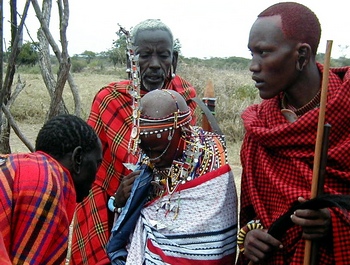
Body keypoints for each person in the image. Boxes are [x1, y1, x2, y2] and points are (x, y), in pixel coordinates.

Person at [70, 19, 197, 265]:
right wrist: (115, 201)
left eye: (163, 55)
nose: (154, 65)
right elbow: (89, 175)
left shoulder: (185, 101)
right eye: (144, 55)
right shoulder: (110, 100)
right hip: (113, 216)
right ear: (131, 60)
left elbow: (195, 164)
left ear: (175, 59)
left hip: (173, 216)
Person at [237, 2, 350, 264]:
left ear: (301, 55)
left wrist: (335, 222)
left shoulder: (344, 108)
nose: (253, 66)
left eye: (264, 53)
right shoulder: (260, 125)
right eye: (252, 54)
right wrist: (250, 236)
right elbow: (252, 213)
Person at [105, 89, 237, 264]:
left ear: (183, 134)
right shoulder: (149, 156)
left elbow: (213, 243)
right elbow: (137, 217)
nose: (152, 159)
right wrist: (118, 202)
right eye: (146, 151)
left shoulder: (212, 158)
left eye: (159, 151)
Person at [0, 114, 102, 265]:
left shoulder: (18, 164)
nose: (96, 177)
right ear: (78, 158)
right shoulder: (46, 181)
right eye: (97, 164)